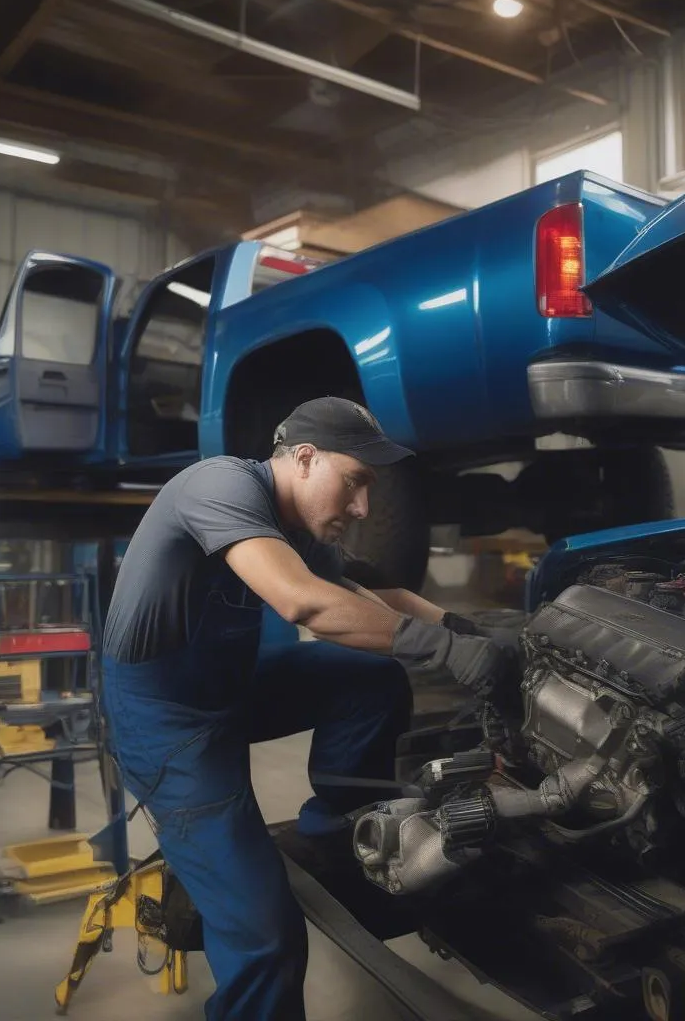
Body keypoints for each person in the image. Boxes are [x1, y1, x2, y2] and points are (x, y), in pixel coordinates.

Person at [100, 396, 515, 1021]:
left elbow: (375, 593)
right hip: (167, 721)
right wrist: (445, 651)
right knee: (266, 938)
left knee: (370, 680)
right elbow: (304, 604)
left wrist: (471, 630)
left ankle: (337, 829)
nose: (362, 508)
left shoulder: (294, 524)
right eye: (355, 484)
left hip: (227, 686)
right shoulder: (218, 485)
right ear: (304, 457)